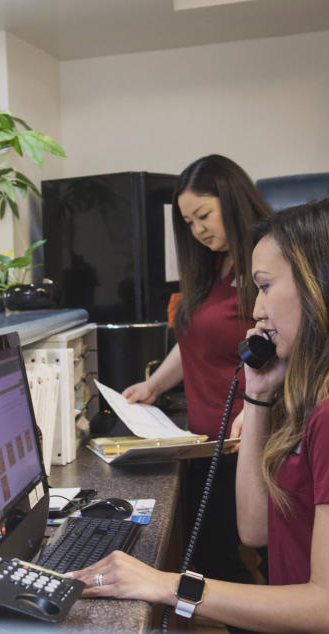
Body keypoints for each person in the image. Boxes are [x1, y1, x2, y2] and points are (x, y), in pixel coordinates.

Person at [74, 199, 329, 634]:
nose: (255, 309)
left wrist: (166, 584)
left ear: (325, 286)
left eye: (265, 287)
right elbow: (255, 530)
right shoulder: (319, 390)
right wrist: (257, 397)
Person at [122, 155, 272, 586]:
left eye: (203, 215)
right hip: (207, 441)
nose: (198, 230)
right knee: (211, 558)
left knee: (243, 561)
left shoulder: (267, 262)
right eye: (188, 222)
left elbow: (292, 347)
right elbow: (196, 342)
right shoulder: (211, 267)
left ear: (232, 199)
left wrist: (258, 411)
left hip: (248, 441)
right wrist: (154, 385)